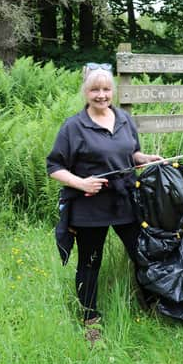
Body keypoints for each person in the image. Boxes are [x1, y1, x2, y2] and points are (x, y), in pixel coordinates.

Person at [46, 63, 162, 343]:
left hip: (124, 202)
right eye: (95, 89)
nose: (101, 95)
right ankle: (90, 320)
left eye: (106, 89)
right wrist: (81, 183)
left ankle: (154, 307)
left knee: (142, 254)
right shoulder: (73, 126)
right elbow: (53, 166)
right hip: (89, 209)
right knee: (89, 263)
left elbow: (130, 153)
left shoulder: (123, 118)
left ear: (113, 91)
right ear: (86, 92)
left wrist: (144, 159)